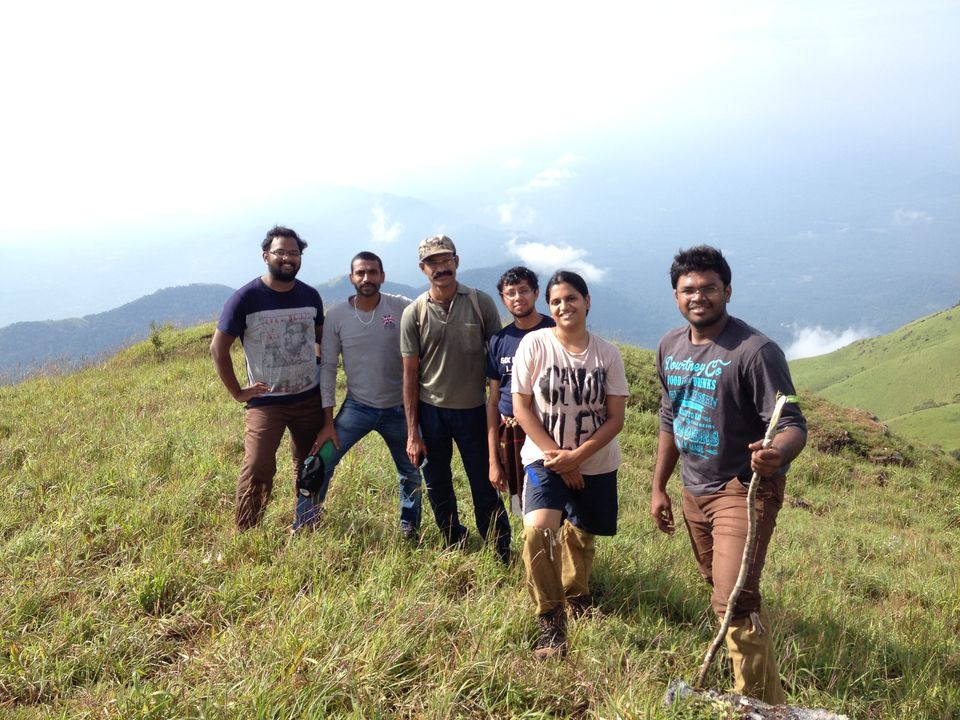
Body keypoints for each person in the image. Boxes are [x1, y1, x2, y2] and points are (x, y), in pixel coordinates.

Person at [650, 245, 807, 703]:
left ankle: (759, 705)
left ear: (728, 291)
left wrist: (776, 453)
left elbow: (793, 423)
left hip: (742, 488)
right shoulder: (669, 346)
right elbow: (670, 417)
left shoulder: (755, 352)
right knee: (718, 583)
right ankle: (757, 691)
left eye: (709, 288)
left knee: (734, 598)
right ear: (676, 295)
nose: (698, 297)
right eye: (689, 290)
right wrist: (659, 486)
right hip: (693, 488)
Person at [512, 270, 629, 659]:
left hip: (595, 460)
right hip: (543, 458)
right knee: (538, 532)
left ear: (587, 301)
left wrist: (577, 457)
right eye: (556, 301)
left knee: (580, 532)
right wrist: (559, 459)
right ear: (549, 306)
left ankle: (577, 595)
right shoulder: (535, 344)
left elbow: (615, 418)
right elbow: (521, 408)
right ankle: (551, 619)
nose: (564, 306)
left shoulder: (607, 354)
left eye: (571, 298)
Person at [292, 251, 423, 538]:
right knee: (321, 460)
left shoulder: (401, 306)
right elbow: (328, 367)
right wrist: (327, 423)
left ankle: (410, 527)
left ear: (382, 276)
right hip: (357, 407)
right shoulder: (338, 316)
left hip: (399, 409)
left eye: (372, 272)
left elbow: (429, 312)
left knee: (411, 470)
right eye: (360, 273)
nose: (367, 278)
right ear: (351, 277)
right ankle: (304, 524)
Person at [400, 234, 512, 563]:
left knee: (484, 482)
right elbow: (409, 375)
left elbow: (498, 362)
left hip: (474, 410)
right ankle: (452, 538)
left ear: (456, 261)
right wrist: (412, 432)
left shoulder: (480, 303)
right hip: (431, 411)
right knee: (437, 483)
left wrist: (503, 409)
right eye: (432, 262)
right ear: (422, 268)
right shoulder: (414, 313)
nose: (440, 267)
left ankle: (499, 549)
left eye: (445, 259)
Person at [210, 226, 325, 530]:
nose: (288, 258)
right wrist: (238, 392)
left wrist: (314, 367)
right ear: (266, 256)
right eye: (280, 252)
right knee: (257, 466)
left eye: (294, 253)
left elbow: (320, 338)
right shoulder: (245, 298)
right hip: (266, 402)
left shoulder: (310, 295)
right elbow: (218, 349)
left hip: (309, 399)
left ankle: (307, 522)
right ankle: (248, 531)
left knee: (311, 463)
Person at [486, 266, 555, 514]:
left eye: (524, 290)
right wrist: (493, 460)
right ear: (503, 298)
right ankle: (530, 534)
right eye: (511, 293)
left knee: (553, 498)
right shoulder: (499, 341)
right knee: (522, 499)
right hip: (512, 434)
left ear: (536, 293)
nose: (518, 297)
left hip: (549, 431)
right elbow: (493, 401)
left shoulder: (554, 331)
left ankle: (553, 535)